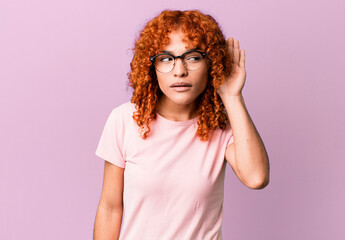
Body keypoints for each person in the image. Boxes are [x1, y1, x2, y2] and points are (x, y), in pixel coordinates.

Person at [93, 9, 270, 240]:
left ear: (211, 64)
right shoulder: (124, 120)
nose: (180, 71)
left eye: (193, 57)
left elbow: (256, 178)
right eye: (166, 59)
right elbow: (110, 208)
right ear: (152, 67)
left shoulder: (222, 126)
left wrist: (232, 96)